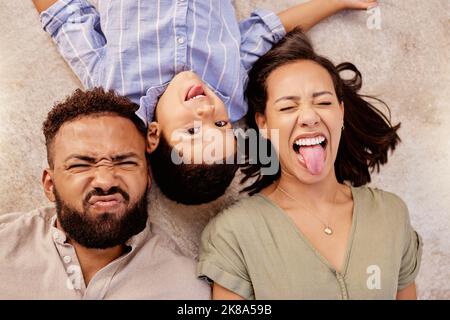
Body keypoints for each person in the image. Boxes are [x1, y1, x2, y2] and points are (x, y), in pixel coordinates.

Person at [31, 0, 378, 204]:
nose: (208, 110)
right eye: (221, 125)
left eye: (192, 130)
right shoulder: (232, 91)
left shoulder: (113, 90)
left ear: (153, 135)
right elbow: (268, 29)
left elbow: (64, 20)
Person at [197, 29, 423, 299]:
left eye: (323, 102)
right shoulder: (233, 234)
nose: (309, 116)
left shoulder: (391, 214)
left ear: (340, 113)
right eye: (288, 107)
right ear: (264, 124)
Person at [0, 88, 210, 299]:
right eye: (81, 165)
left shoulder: (188, 289)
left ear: (147, 176)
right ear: (49, 185)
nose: (105, 181)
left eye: (125, 162)